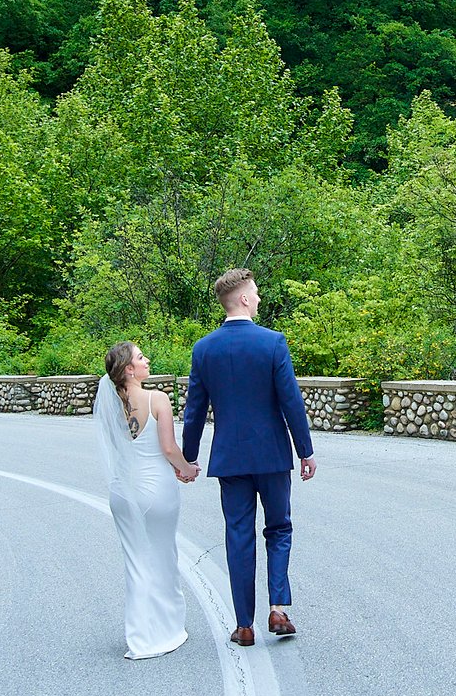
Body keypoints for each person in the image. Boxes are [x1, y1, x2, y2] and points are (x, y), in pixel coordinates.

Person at [183, 269, 316, 647]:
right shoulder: (272, 343)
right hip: (272, 455)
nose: (258, 298)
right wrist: (304, 451)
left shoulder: (204, 349)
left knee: (238, 536)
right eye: (255, 293)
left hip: (231, 459)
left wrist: (189, 458)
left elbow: (194, 410)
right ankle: (277, 607)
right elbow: (291, 401)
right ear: (242, 298)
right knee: (278, 529)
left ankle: (244, 625)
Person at [94, 341, 199, 660]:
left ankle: (138, 637)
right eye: (141, 358)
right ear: (129, 369)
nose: (147, 360)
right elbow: (168, 448)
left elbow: (117, 448)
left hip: (123, 493)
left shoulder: (110, 405)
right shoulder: (157, 399)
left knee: (136, 563)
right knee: (163, 557)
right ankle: (165, 630)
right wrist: (187, 469)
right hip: (156, 491)